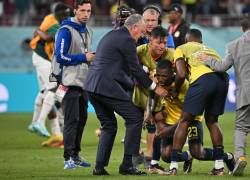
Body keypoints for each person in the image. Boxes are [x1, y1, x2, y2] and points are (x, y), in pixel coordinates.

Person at [84, 14, 168, 176]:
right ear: (134, 27)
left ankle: (99, 167)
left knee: (109, 124)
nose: (142, 35)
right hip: (105, 86)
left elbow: (120, 68)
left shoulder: (112, 35)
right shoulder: (128, 40)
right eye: (142, 31)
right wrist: (154, 87)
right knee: (135, 117)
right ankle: (127, 165)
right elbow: (135, 69)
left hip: (92, 86)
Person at [149, 60, 235, 175]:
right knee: (166, 155)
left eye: (164, 76)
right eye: (158, 75)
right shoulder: (156, 79)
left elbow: (193, 112)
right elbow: (150, 85)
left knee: (198, 153)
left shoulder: (184, 87)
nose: (160, 79)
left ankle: (227, 157)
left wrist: (173, 127)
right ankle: (187, 156)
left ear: (173, 74)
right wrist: (149, 110)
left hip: (191, 119)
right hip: (172, 120)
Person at [167, 29, 231, 176]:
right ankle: (219, 167)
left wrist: (176, 89)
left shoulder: (182, 48)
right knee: (213, 121)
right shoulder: (210, 49)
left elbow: (181, 73)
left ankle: (174, 166)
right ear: (201, 41)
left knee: (184, 121)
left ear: (186, 40)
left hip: (202, 80)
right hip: (222, 80)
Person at [198, 16, 250, 176]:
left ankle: (239, 156)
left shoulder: (234, 45)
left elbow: (221, 67)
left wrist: (207, 60)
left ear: (242, 28)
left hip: (245, 94)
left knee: (241, 128)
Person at [53, 0, 95, 169]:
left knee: (82, 119)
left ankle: (75, 155)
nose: (86, 14)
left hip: (83, 82)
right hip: (69, 82)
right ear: (75, 11)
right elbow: (60, 56)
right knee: (71, 120)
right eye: (83, 10)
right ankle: (68, 158)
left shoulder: (88, 31)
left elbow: (86, 56)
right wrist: (83, 57)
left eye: (89, 11)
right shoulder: (65, 30)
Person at [28, 2, 71, 145]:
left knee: (44, 93)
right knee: (55, 91)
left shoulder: (50, 18)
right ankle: (39, 123)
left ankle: (54, 133)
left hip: (44, 59)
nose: (65, 17)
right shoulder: (57, 25)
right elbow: (48, 37)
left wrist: (38, 31)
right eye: (63, 14)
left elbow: (42, 34)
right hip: (45, 59)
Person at [133, 26, 174, 167]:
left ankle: (154, 162)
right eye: (159, 43)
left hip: (160, 100)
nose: (163, 46)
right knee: (133, 127)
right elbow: (129, 72)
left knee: (160, 130)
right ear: (150, 40)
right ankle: (132, 159)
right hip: (139, 98)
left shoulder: (171, 54)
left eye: (165, 43)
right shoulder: (139, 52)